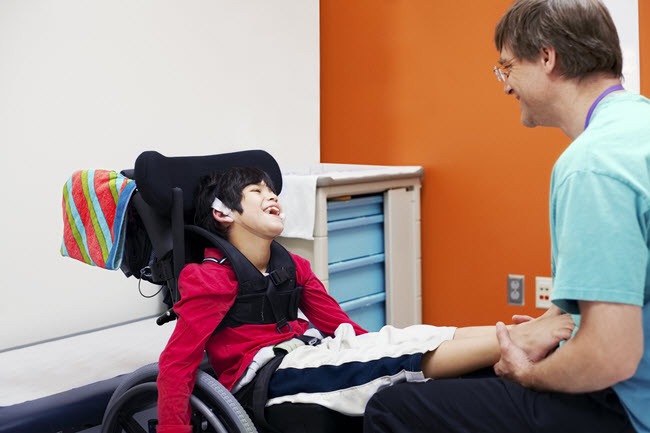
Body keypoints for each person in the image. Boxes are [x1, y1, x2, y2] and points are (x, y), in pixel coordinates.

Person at [363, 1, 650, 432]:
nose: (505, 87)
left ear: (547, 57)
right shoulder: (638, 123)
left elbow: (609, 355)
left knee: (392, 406)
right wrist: (557, 327)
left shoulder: (592, 165)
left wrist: (528, 373)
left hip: (629, 408)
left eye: (507, 68)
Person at [155, 165, 574, 433]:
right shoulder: (210, 279)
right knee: (393, 358)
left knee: (402, 338)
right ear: (223, 213)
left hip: (310, 355)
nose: (272, 195)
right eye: (255, 190)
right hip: (266, 380)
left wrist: (375, 343)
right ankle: (525, 338)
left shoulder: (292, 267)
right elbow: (177, 364)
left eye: (271, 189)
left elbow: (345, 330)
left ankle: (531, 332)